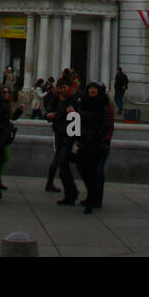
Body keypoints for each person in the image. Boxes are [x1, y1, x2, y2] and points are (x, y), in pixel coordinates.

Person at [75, 81, 112, 214]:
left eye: (95, 89)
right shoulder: (82, 103)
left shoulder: (103, 105)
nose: (92, 90)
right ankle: (92, 196)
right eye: (90, 88)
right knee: (82, 168)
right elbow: (76, 120)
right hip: (84, 142)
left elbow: (106, 124)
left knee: (93, 172)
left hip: (95, 144)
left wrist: (97, 137)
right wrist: (77, 137)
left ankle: (92, 200)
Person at [45, 76, 81, 206]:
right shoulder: (55, 98)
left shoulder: (73, 99)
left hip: (69, 135)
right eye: (60, 88)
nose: (62, 90)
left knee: (62, 162)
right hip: (59, 133)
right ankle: (71, 193)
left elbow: (77, 115)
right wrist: (49, 115)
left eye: (64, 87)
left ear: (68, 87)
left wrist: (71, 112)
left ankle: (71, 192)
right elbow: (48, 112)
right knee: (62, 164)